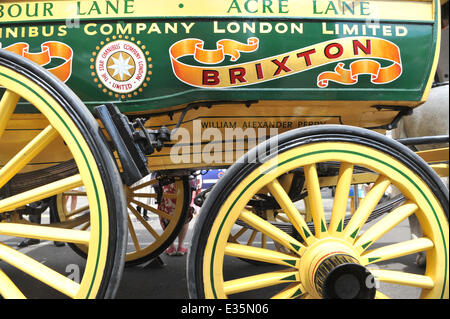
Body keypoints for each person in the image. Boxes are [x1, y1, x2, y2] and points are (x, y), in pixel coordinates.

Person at [159, 175, 201, 256]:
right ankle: (180, 246)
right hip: (186, 178)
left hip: (164, 178)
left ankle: (171, 247)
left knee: (164, 210)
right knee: (184, 210)